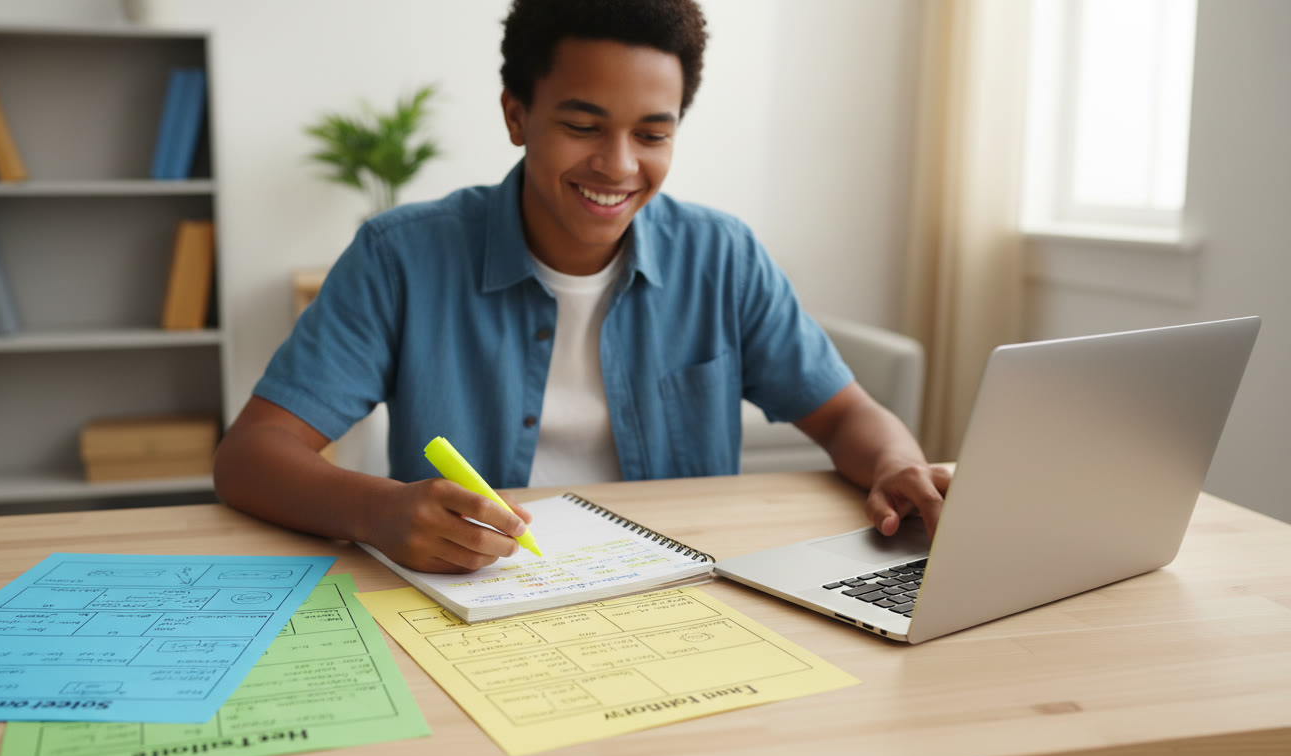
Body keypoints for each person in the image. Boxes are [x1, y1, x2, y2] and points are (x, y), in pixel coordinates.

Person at [213, 0, 950, 574]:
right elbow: (251, 456)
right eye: (583, 125)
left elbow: (849, 416)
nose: (618, 165)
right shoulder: (402, 256)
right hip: (475, 594)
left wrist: (898, 467)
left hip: (674, 594)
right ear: (516, 115)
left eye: (653, 135)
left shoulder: (722, 256)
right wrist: (379, 511)